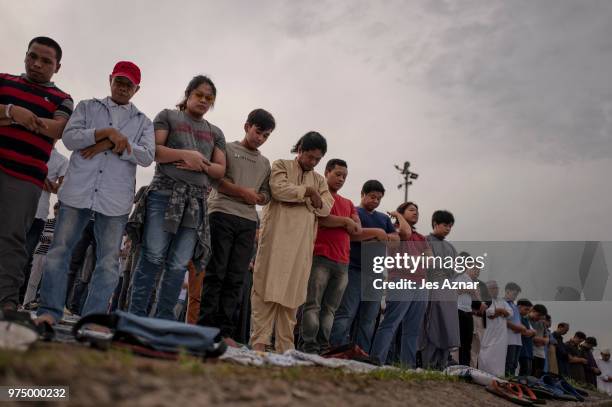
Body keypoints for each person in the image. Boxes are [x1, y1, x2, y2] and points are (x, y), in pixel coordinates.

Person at [36, 61, 155, 325]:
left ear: (137, 89)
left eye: (129, 84)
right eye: (119, 81)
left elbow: (147, 156)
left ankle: (94, 320)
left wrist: (109, 144)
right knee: (60, 251)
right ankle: (49, 311)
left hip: (114, 199)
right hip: (79, 190)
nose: (123, 88)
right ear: (110, 79)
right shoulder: (88, 107)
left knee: (108, 261)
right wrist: (106, 133)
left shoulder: (143, 121)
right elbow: (70, 138)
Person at [128, 75, 226, 320]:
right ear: (188, 94)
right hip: (164, 194)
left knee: (178, 265)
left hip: (196, 202)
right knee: (152, 257)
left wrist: (200, 164)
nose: (203, 101)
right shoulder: (168, 116)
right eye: (199, 95)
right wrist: (186, 154)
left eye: (209, 98)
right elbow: (155, 152)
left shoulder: (215, 132)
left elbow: (219, 170)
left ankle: (162, 323)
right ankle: (135, 317)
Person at [0, 36, 73, 311]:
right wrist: (12, 110)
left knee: (12, 239)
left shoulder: (63, 99)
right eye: (33, 56)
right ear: (25, 55)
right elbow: (45, 125)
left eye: (46, 61)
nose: (37, 64)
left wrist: (10, 117)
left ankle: (6, 303)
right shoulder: (3, 80)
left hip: (26, 178)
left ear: (57, 67)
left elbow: (57, 130)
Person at [250, 132, 333, 353]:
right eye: (310, 157)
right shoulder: (281, 165)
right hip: (275, 240)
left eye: (317, 159)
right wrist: (307, 192)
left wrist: (311, 195)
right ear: (300, 150)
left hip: (301, 246)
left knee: (293, 295)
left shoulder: (319, 180)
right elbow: (278, 189)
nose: (313, 162)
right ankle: (259, 342)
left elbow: (325, 207)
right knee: (265, 289)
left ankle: (285, 347)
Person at [199, 109, 275, 339]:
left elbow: (266, 194)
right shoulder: (227, 149)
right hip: (221, 214)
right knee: (216, 273)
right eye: (258, 131)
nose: (260, 138)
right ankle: (205, 328)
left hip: (248, 222)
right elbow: (216, 180)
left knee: (236, 277)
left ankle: (225, 334)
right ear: (247, 126)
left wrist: (258, 198)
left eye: (266, 135)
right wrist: (243, 192)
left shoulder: (264, 162)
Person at [299, 159, 361, 354]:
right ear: (327, 173)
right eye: (338, 174)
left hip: (342, 262)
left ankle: (323, 346)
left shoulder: (348, 203)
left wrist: (344, 223)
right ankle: (308, 346)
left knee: (330, 309)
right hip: (320, 258)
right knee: (312, 304)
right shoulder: (322, 198)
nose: (341, 179)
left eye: (344, 176)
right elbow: (322, 218)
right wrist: (344, 221)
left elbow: (357, 229)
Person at [330, 180, 399, 354]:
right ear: (362, 194)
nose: (375, 201)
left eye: (379, 198)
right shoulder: (354, 211)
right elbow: (353, 235)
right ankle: (335, 349)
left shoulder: (383, 218)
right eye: (372, 196)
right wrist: (377, 234)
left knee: (368, 319)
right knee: (346, 313)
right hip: (354, 269)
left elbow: (396, 240)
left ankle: (361, 353)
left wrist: (377, 236)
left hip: (375, 273)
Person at [369, 201, 429, 367]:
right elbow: (405, 233)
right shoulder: (394, 230)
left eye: (417, 210)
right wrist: (397, 215)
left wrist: (416, 263)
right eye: (411, 210)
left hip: (421, 285)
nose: (416, 213)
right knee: (390, 322)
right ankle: (377, 359)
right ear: (401, 213)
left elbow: (429, 258)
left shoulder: (422, 237)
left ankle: (407, 366)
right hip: (401, 281)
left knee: (412, 329)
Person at [20, 145, 68, 303]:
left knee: (24, 259)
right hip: (16, 207)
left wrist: (39, 177)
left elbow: (61, 190)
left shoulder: (61, 160)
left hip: (39, 214)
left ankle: (16, 300)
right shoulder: (27, 148)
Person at [419, 210, 460, 370]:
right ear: (435, 223)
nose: (448, 228)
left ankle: (442, 365)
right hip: (432, 288)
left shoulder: (451, 247)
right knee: (431, 325)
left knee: (447, 327)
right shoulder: (425, 240)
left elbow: (454, 270)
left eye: (450, 226)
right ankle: (428, 364)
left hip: (448, 291)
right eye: (445, 225)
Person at [22, 202, 60, 307]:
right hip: (40, 253)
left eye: (58, 211)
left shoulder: (63, 226)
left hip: (53, 256)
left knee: (47, 283)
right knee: (33, 280)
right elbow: (40, 236)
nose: (56, 213)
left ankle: (41, 305)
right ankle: (27, 302)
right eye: (55, 210)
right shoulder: (48, 222)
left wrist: (50, 238)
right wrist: (50, 238)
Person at [478, 280, 513, 377]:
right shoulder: (484, 299)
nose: (496, 290)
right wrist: (501, 312)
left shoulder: (502, 301)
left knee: (499, 355)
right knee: (486, 353)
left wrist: (499, 312)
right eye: (493, 288)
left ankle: (497, 376)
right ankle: (484, 374)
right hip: (488, 332)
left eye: (496, 288)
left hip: (501, 335)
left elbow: (510, 314)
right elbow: (488, 312)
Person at [504, 282, 523, 376]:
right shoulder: (502, 303)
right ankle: (506, 381)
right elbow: (503, 321)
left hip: (517, 339)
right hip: (509, 339)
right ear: (507, 291)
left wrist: (521, 328)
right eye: (514, 294)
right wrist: (516, 327)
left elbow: (518, 322)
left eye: (517, 295)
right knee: (508, 363)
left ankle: (511, 382)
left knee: (514, 364)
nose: (515, 297)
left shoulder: (514, 306)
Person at [517, 299, 536, 375]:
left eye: (529, 310)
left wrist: (530, 332)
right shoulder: (517, 318)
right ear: (519, 307)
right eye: (526, 309)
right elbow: (525, 332)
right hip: (521, 350)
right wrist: (530, 332)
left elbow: (534, 332)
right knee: (523, 372)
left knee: (528, 372)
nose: (527, 312)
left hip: (528, 350)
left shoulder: (525, 319)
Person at [531, 304, 550, 377]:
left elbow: (547, 339)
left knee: (539, 375)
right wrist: (541, 340)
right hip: (533, 352)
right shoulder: (530, 322)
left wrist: (542, 340)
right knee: (532, 374)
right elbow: (532, 337)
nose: (540, 319)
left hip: (541, 354)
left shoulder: (543, 324)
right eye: (539, 316)